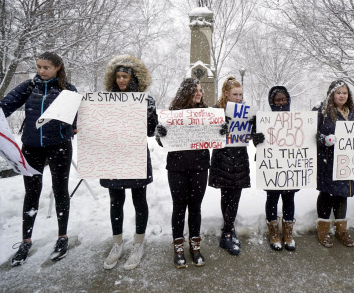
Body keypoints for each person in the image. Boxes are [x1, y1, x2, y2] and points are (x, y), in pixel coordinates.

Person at [0, 52, 78, 266]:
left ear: (58, 67)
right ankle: (25, 240)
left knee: (60, 189)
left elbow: (75, 119)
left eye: (46, 67)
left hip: (60, 147)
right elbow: (5, 106)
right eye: (38, 66)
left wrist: (73, 125)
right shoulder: (29, 86)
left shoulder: (68, 90)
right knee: (32, 192)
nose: (41, 71)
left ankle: (62, 237)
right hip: (31, 147)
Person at [155, 78, 227, 268]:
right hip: (177, 168)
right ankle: (178, 247)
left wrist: (221, 131)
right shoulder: (172, 115)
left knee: (195, 207)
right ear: (186, 92)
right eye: (195, 90)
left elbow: (217, 139)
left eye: (201, 90)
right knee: (179, 207)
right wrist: (160, 134)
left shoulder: (206, 114)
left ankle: (195, 246)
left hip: (199, 167)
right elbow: (163, 143)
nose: (199, 93)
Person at [100, 55, 158, 270]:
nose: (121, 80)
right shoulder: (104, 100)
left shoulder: (146, 100)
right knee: (115, 201)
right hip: (113, 156)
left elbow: (152, 131)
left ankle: (138, 243)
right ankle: (117, 244)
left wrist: (150, 115)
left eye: (125, 76)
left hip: (135, 154)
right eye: (118, 77)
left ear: (133, 77)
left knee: (138, 200)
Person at [314, 80, 354, 247]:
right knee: (327, 195)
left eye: (345, 93)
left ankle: (341, 230)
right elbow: (312, 135)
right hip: (328, 162)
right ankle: (323, 230)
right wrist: (325, 139)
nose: (342, 95)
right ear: (332, 94)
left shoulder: (353, 112)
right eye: (339, 93)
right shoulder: (321, 112)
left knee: (342, 195)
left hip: (347, 163)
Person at [253, 86, 298, 252]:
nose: (281, 102)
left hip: (290, 166)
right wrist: (256, 138)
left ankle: (288, 233)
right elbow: (255, 142)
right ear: (271, 102)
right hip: (272, 167)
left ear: (288, 100)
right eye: (277, 100)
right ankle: (273, 233)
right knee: (272, 198)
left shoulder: (297, 120)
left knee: (289, 198)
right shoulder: (263, 121)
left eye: (283, 99)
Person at [209, 77, 250, 256]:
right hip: (222, 158)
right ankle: (226, 232)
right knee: (227, 195)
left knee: (236, 196)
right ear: (226, 93)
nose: (238, 97)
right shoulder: (216, 111)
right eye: (235, 94)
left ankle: (229, 228)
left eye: (240, 94)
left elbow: (253, 132)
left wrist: (255, 133)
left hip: (240, 157)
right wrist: (219, 127)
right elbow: (208, 135)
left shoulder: (246, 111)